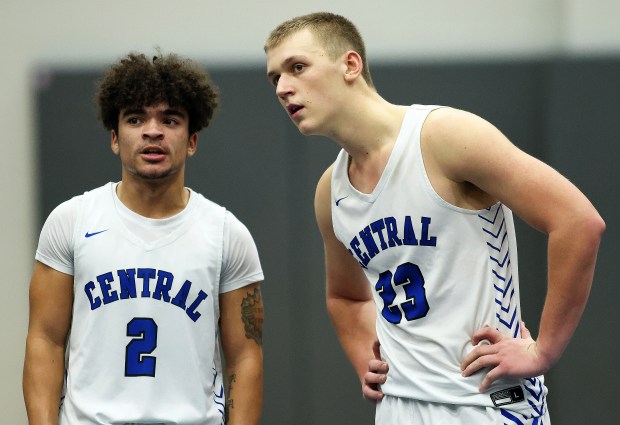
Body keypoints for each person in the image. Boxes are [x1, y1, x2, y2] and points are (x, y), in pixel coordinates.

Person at [264, 12, 604, 424]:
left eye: (297, 67)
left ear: (350, 65)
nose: (283, 88)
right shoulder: (330, 191)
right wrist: (362, 356)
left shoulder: (444, 136)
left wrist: (544, 350)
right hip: (398, 407)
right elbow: (346, 297)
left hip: (485, 402)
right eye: (274, 78)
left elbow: (577, 221)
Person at [23, 52, 264, 425]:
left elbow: (245, 357)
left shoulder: (227, 235)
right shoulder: (71, 221)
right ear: (116, 139)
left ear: (192, 140)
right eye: (136, 119)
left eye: (170, 119)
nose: (153, 131)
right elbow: (45, 340)